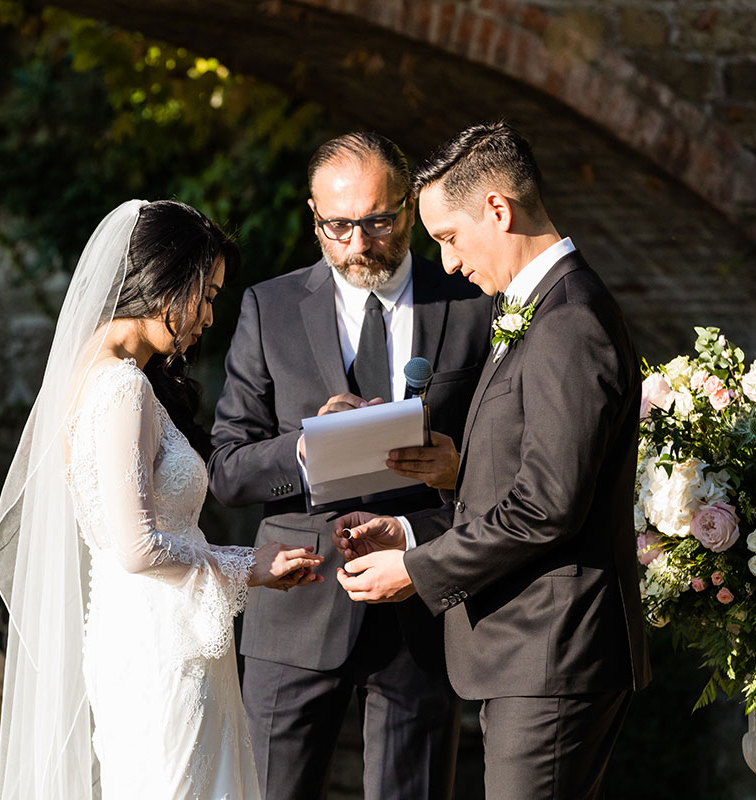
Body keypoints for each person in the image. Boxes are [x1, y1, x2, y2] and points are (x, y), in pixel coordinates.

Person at [331, 121, 651, 800]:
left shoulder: (569, 321)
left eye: (449, 237)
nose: (447, 263)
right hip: (529, 653)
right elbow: (529, 479)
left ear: (498, 210)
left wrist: (416, 569)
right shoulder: (536, 308)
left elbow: (546, 507)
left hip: (552, 652)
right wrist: (427, 514)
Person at [0, 199, 325, 800]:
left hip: (143, 633)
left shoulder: (86, 373)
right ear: (165, 278)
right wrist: (254, 566)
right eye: (207, 293)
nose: (210, 317)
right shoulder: (121, 386)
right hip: (162, 648)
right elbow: (136, 547)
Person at [208, 133, 496, 800]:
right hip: (294, 603)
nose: (358, 244)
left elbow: (507, 453)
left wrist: (456, 467)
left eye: (378, 221)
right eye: (338, 226)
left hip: (419, 606)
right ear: (313, 213)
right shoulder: (268, 308)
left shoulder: (470, 301)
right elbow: (226, 468)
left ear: (409, 207)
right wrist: (305, 449)